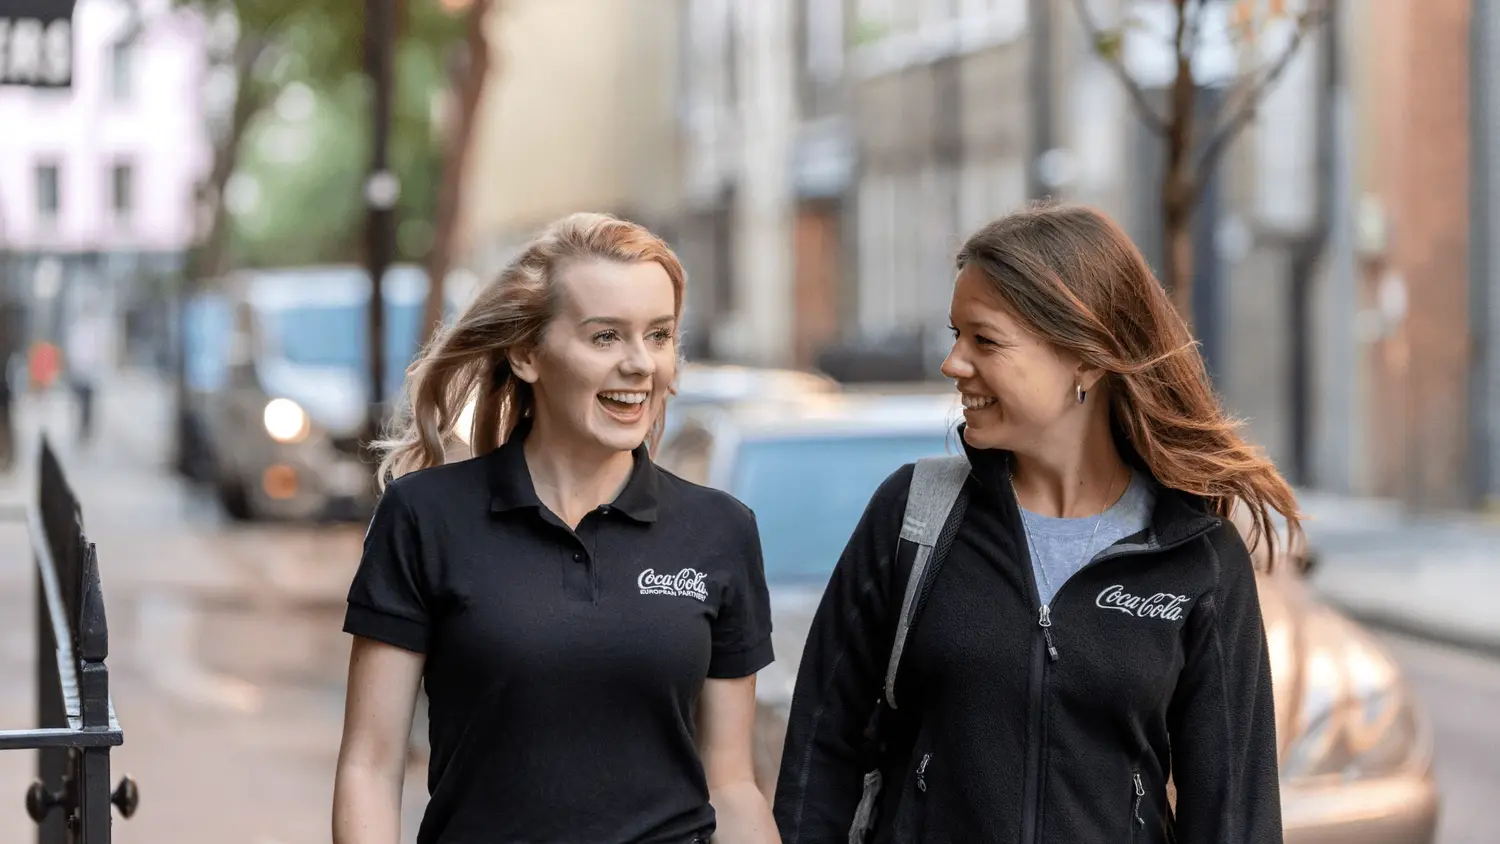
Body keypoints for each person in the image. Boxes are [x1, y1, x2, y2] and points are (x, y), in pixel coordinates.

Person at [773, 203, 1299, 844]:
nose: (953, 363)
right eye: (956, 334)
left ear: (1085, 360)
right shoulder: (914, 516)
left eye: (985, 340)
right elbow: (819, 758)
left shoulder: (1196, 557)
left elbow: (1235, 816)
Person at [332, 213, 780, 844]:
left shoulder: (720, 530)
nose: (641, 364)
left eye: (658, 335)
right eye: (606, 337)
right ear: (526, 354)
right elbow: (370, 768)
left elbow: (730, 785)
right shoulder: (425, 516)